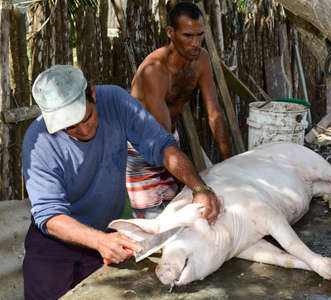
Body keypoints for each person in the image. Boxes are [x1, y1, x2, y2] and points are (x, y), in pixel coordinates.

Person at [21, 65, 220, 299]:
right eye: (71, 127)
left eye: (88, 117)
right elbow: (50, 214)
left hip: (103, 233)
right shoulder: (38, 142)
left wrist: (199, 187)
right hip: (53, 243)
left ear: (93, 94)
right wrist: (99, 241)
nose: (84, 130)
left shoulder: (115, 101)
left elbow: (162, 146)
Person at [126, 2, 232, 219]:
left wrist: (229, 163)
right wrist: (198, 187)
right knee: (154, 221)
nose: (196, 43)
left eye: (199, 35)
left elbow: (215, 113)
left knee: (181, 211)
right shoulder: (154, 70)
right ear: (170, 33)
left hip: (169, 138)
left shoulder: (201, 59)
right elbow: (161, 138)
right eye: (188, 36)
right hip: (141, 145)